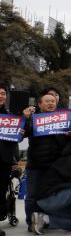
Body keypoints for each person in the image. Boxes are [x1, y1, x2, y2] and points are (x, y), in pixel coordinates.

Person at [22, 93, 71, 229]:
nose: (51, 103)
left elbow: (68, 143)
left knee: (52, 195)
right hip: (36, 165)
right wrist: (26, 119)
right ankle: (31, 222)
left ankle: (45, 220)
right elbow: (22, 133)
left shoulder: (63, 120)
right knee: (32, 195)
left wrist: (69, 135)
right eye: (47, 101)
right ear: (39, 104)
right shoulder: (33, 118)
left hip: (56, 165)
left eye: (53, 101)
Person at [0, 85, 21, 235]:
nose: (0, 96)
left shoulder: (11, 116)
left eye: (2, 93)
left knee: (1, 192)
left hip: (4, 160)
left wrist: (15, 160)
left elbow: (13, 141)